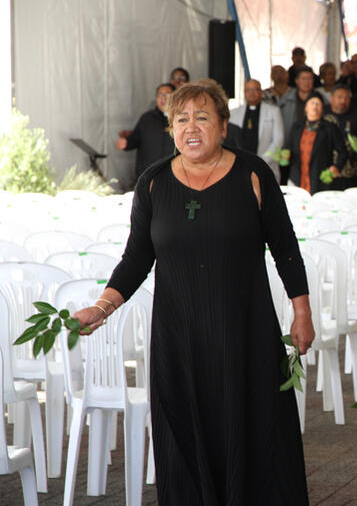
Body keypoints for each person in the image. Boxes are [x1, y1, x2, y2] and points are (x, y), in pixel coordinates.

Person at [73, 79, 314, 505]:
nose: (191, 127)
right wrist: (102, 306)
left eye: (202, 117)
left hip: (246, 335)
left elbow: (286, 249)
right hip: (179, 339)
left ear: (224, 126)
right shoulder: (153, 183)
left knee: (255, 433)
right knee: (183, 436)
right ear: (170, 129)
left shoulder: (254, 175)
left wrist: (302, 313)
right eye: (181, 119)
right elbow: (135, 260)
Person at [115, 83, 176, 187]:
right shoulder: (147, 118)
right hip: (148, 175)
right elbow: (136, 138)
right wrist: (127, 142)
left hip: (173, 175)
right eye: (160, 95)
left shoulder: (181, 118)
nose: (163, 98)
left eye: (167, 94)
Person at [287, 91, 346, 194]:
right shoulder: (296, 127)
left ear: (322, 109)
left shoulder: (329, 128)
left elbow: (343, 152)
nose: (315, 105)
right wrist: (285, 156)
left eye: (318, 103)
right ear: (306, 108)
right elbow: (289, 148)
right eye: (312, 103)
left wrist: (336, 167)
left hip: (320, 180)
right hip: (297, 178)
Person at [229, 79, 285, 181]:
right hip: (240, 167)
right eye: (248, 90)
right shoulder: (233, 114)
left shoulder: (273, 111)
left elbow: (278, 140)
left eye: (255, 89)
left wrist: (261, 161)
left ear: (261, 92)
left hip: (267, 165)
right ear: (244, 93)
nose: (252, 93)